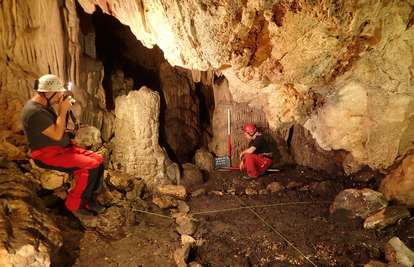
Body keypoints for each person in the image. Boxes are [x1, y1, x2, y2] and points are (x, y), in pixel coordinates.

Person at [21, 74, 105, 218]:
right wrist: (63, 110)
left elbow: (58, 128)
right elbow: (57, 135)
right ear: (47, 93)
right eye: (58, 92)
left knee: (98, 160)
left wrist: (63, 110)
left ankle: (89, 200)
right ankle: (74, 206)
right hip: (46, 155)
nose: (61, 95)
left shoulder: (44, 106)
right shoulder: (33, 112)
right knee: (89, 166)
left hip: (62, 149)